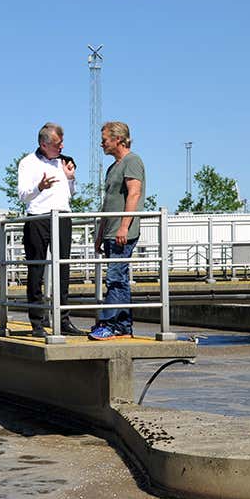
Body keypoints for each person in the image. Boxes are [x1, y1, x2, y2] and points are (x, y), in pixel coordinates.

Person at [16, 123, 87, 337]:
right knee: (36, 270)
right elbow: (22, 195)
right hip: (38, 217)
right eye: (57, 144)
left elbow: (70, 194)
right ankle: (37, 323)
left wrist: (70, 177)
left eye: (62, 142)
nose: (62, 147)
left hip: (63, 216)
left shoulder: (64, 161)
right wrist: (40, 187)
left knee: (63, 270)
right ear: (44, 144)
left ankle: (63, 320)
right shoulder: (27, 163)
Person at [88, 121, 145, 340]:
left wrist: (124, 226)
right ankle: (123, 325)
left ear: (118, 139)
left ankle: (111, 324)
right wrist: (100, 234)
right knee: (118, 278)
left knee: (114, 277)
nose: (102, 144)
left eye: (104, 140)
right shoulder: (113, 167)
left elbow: (134, 194)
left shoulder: (132, 161)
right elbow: (108, 202)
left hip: (123, 232)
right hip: (110, 231)